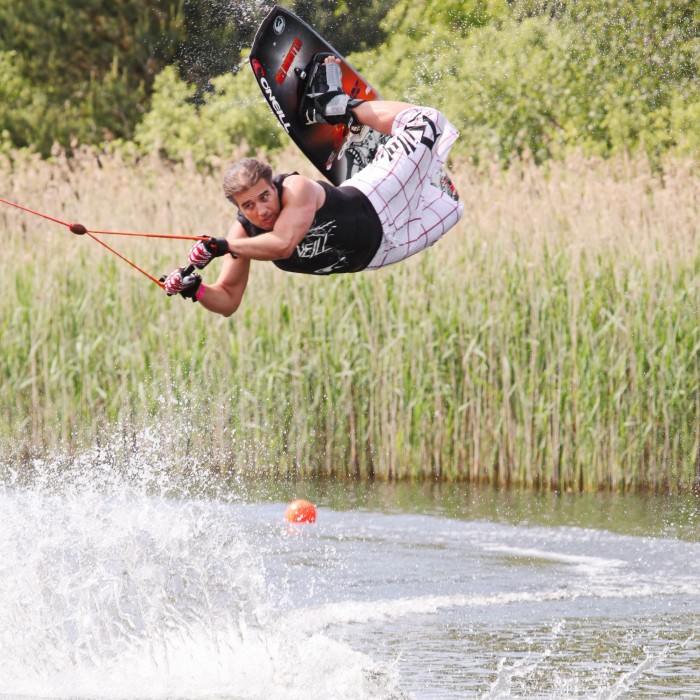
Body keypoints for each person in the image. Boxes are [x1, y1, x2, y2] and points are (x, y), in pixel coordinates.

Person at [162, 56, 463, 317]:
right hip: (381, 251)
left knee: (427, 120)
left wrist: (222, 247)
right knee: (453, 206)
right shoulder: (244, 236)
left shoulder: (296, 188)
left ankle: (341, 107)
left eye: (265, 196)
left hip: (376, 201)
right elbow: (228, 300)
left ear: (274, 185)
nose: (261, 210)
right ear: (238, 209)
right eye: (248, 206)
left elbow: (282, 244)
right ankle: (380, 155)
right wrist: (196, 289)